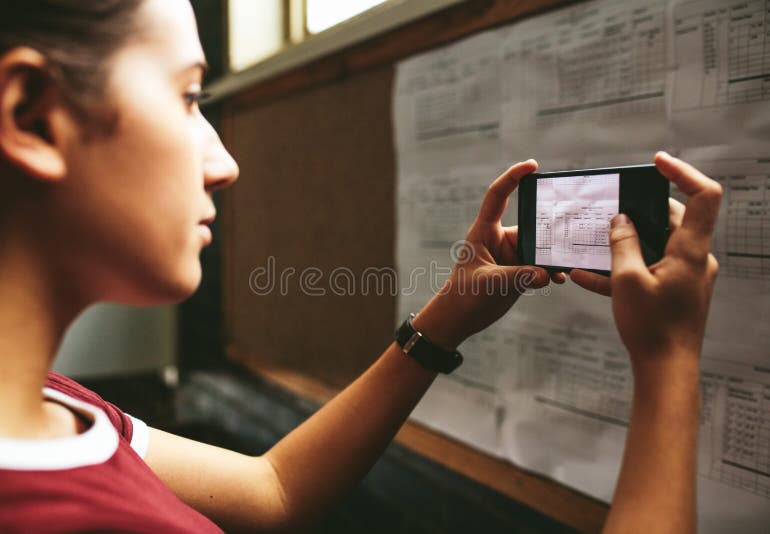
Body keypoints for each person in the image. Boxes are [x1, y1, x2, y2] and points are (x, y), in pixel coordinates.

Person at [0, 1, 722, 532]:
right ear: (32, 115)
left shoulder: (55, 407)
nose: (225, 164)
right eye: (189, 96)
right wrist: (668, 362)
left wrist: (448, 317)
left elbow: (272, 488)